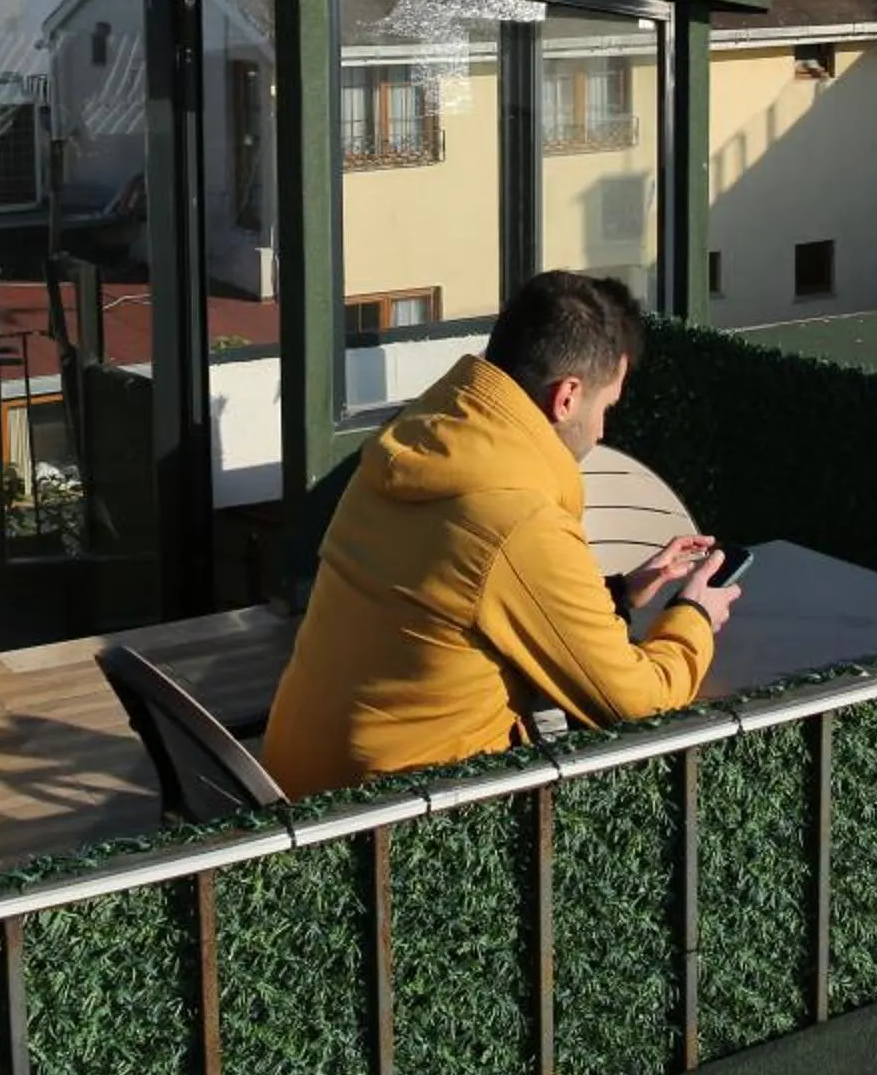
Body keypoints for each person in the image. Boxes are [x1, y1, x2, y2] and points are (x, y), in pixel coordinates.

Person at [261, 270, 739, 799]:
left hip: (296, 781)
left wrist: (618, 595)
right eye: (607, 408)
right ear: (567, 398)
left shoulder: (420, 441)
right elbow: (635, 704)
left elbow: (456, 605)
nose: (603, 429)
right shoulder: (518, 516)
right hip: (386, 817)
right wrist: (692, 619)